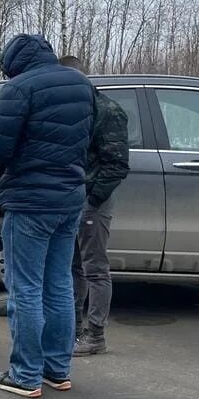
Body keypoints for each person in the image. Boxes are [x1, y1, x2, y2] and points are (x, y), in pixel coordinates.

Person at [0, 34, 95, 398]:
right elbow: (89, 139)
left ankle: (25, 375)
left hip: (30, 201)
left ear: (14, 63)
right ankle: (56, 369)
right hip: (70, 198)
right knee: (59, 284)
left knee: (25, 289)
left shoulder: (19, 88)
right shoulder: (81, 83)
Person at [58, 55, 130, 356]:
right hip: (71, 197)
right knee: (73, 266)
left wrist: (93, 199)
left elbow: (117, 164)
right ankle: (72, 331)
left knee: (94, 268)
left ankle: (95, 334)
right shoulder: (71, 110)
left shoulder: (108, 111)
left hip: (92, 200)